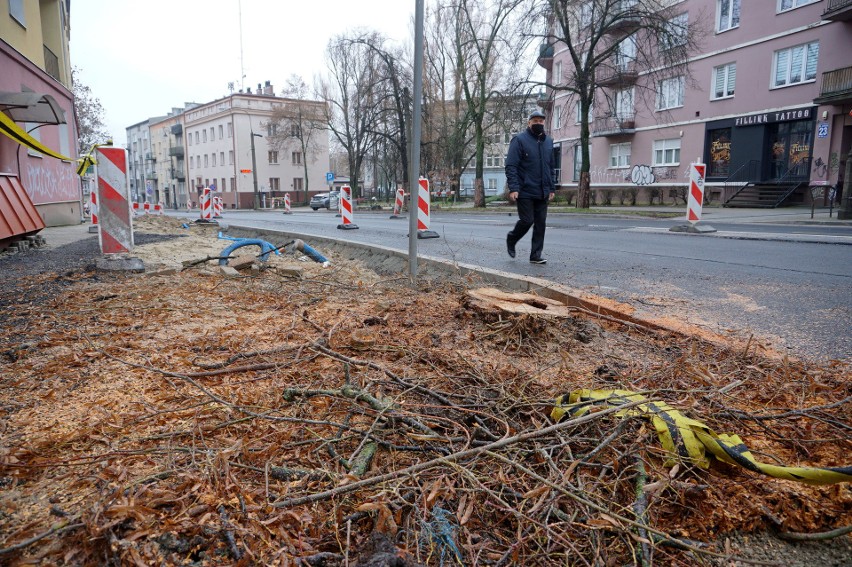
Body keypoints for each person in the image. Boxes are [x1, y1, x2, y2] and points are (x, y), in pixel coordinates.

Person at [505, 109, 556, 264]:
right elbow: (511, 165)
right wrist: (514, 188)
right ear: (529, 123)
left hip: (542, 190)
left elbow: (551, 166)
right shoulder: (519, 140)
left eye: (541, 121)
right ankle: (511, 239)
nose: (538, 123)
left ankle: (535, 255)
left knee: (540, 224)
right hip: (525, 189)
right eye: (535, 121)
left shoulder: (548, 142)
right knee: (527, 221)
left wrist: (551, 188)